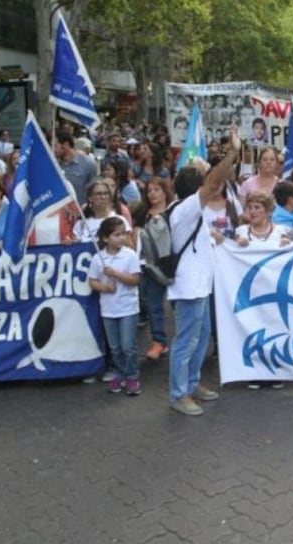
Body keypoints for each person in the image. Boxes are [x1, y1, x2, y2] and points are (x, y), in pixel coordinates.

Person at [167, 128, 243, 416]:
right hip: (189, 288)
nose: (212, 191)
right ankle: (178, 394)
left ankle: (191, 383)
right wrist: (232, 153)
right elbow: (213, 183)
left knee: (201, 337)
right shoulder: (184, 210)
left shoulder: (190, 213)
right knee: (186, 341)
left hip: (202, 286)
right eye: (204, 186)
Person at [235, 191, 291, 391]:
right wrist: (236, 245)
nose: (253, 211)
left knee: (275, 328)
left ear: (268, 211)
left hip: (274, 290)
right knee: (253, 329)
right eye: (250, 207)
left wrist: (287, 245)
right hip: (250, 292)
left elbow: (288, 255)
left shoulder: (280, 231)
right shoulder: (241, 231)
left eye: (257, 207)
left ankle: (275, 369)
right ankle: (255, 371)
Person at [87, 217, 143, 396]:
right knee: (115, 347)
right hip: (108, 309)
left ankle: (132, 375)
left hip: (128, 307)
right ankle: (120, 373)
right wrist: (104, 287)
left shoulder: (130, 255)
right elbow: (92, 281)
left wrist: (115, 274)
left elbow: (135, 280)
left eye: (123, 234)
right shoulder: (98, 258)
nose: (121, 238)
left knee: (128, 345)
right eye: (116, 235)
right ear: (105, 239)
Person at [133, 178, 174, 361]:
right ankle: (159, 341)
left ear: (165, 191)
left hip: (173, 264)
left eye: (157, 189)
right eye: (149, 191)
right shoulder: (142, 213)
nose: (153, 194)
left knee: (178, 306)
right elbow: (135, 239)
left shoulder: (173, 212)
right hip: (149, 265)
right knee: (154, 305)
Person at [55, 130, 97, 205]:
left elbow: (93, 190)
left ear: (65, 145)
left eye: (56, 146)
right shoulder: (54, 164)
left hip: (81, 212)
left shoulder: (88, 163)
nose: (54, 149)